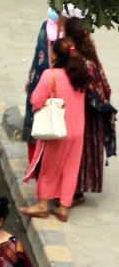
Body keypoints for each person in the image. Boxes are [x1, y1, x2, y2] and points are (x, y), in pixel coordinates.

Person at [24, 35, 88, 221]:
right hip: (77, 129)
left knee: (49, 167)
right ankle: (63, 208)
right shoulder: (81, 74)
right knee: (70, 168)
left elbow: (36, 100)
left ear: (55, 55)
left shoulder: (50, 75)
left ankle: (42, 205)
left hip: (57, 128)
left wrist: (37, 108)